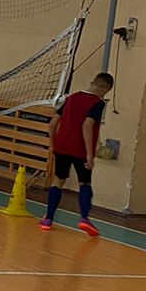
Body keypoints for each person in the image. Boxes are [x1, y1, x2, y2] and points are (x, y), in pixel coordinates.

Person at [40, 73, 113, 237]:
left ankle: (48, 219)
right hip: (80, 149)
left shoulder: (70, 98)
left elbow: (52, 124)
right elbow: (87, 125)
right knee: (84, 183)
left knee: (58, 181)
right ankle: (84, 218)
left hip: (62, 147)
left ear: (92, 82)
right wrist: (89, 155)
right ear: (105, 89)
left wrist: (52, 144)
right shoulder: (98, 103)